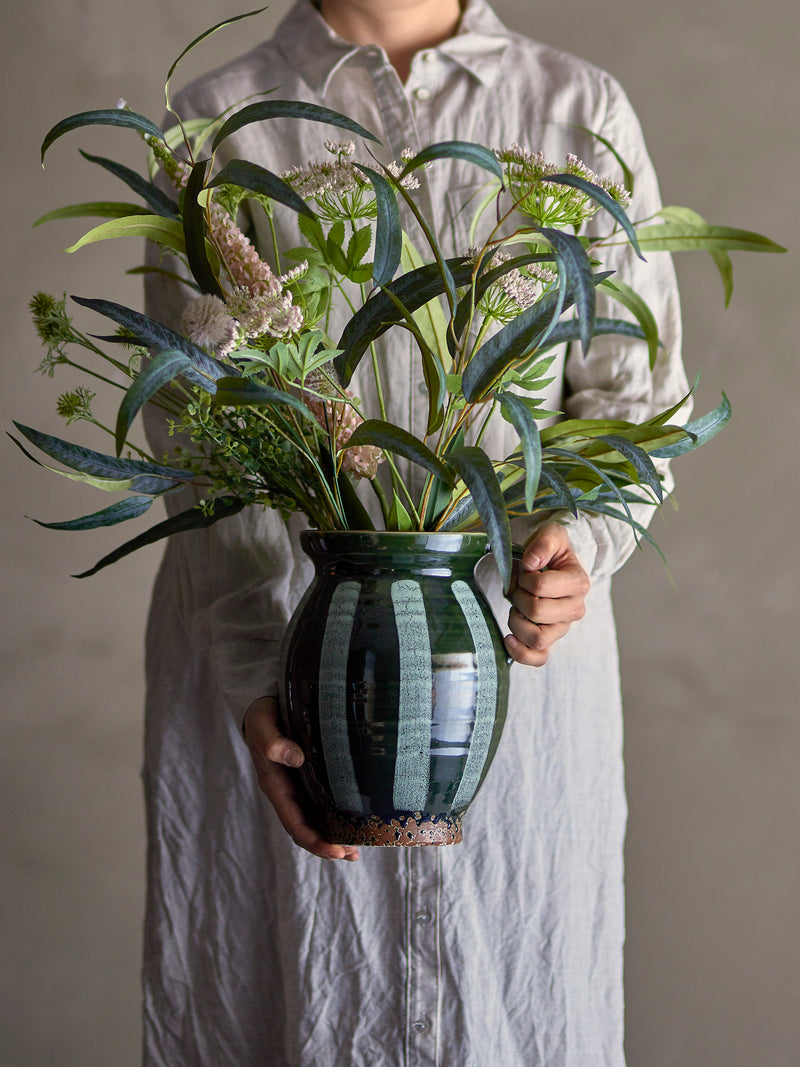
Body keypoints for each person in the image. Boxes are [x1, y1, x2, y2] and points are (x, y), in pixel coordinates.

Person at [141, 1, 688, 1063]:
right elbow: (198, 433)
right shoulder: (217, 124)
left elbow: (633, 400)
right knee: (283, 997)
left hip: (506, 658)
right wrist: (262, 672)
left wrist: (580, 540)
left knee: (519, 998)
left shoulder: (575, 110)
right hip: (281, 648)